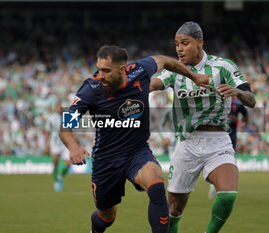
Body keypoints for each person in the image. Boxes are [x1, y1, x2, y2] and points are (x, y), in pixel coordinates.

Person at [60, 45, 209, 233]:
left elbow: (164, 60)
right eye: (99, 69)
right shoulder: (90, 89)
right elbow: (65, 125)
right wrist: (73, 147)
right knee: (107, 217)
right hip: (106, 160)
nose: (100, 75)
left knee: (156, 183)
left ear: (122, 69)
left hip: (137, 152)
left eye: (106, 70)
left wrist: (194, 77)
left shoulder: (139, 71)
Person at [149, 21, 256, 233]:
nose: (179, 49)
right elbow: (153, 84)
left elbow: (251, 99)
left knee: (227, 196)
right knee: (174, 209)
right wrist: (135, 87)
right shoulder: (175, 71)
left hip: (218, 141)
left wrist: (238, 93)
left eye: (184, 43)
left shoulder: (223, 67)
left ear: (200, 42)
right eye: (176, 44)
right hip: (187, 143)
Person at [208, 96, 248, 199]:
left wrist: (240, 122)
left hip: (224, 135)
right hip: (223, 135)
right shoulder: (235, 103)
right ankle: (217, 182)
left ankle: (217, 183)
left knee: (222, 157)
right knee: (220, 158)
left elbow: (245, 116)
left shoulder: (220, 101)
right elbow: (245, 116)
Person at [45, 100, 71, 192]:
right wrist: (46, 144)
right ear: (56, 108)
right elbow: (47, 132)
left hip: (65, 144)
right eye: (58, 107)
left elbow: (72, 131)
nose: (60, 108)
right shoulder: (51, 118)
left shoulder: (67, 117)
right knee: (55, 163)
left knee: (68, 164)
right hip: (55, 143)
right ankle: (56, 182)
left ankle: (60, 176)